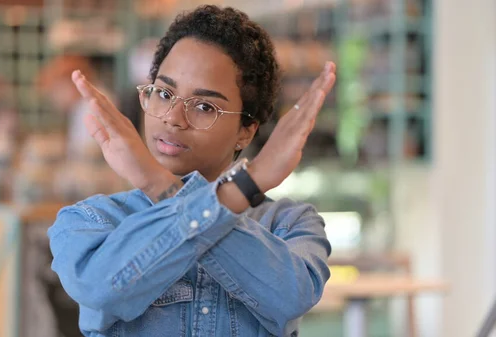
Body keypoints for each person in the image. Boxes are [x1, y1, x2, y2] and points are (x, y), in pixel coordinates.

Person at [48, 5, 336, 337]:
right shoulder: (92, 220)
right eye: (164, 93)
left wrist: (159, 184)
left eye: (204, 107)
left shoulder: (289, 224)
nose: (172, 117)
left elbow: (290, 297)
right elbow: (101, 289)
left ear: (247, 130)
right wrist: (241, 189)